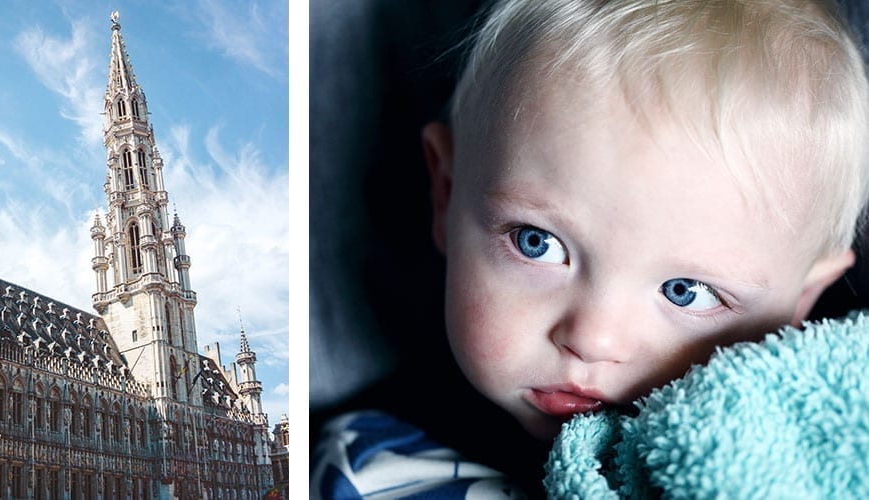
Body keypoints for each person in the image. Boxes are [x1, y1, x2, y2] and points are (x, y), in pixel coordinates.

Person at [312, 0, 869, 497]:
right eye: (538, 244)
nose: (592, 339)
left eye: (686, 291)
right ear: (445, 192)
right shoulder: (373, 467)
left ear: (804, 302)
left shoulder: (802, 462)